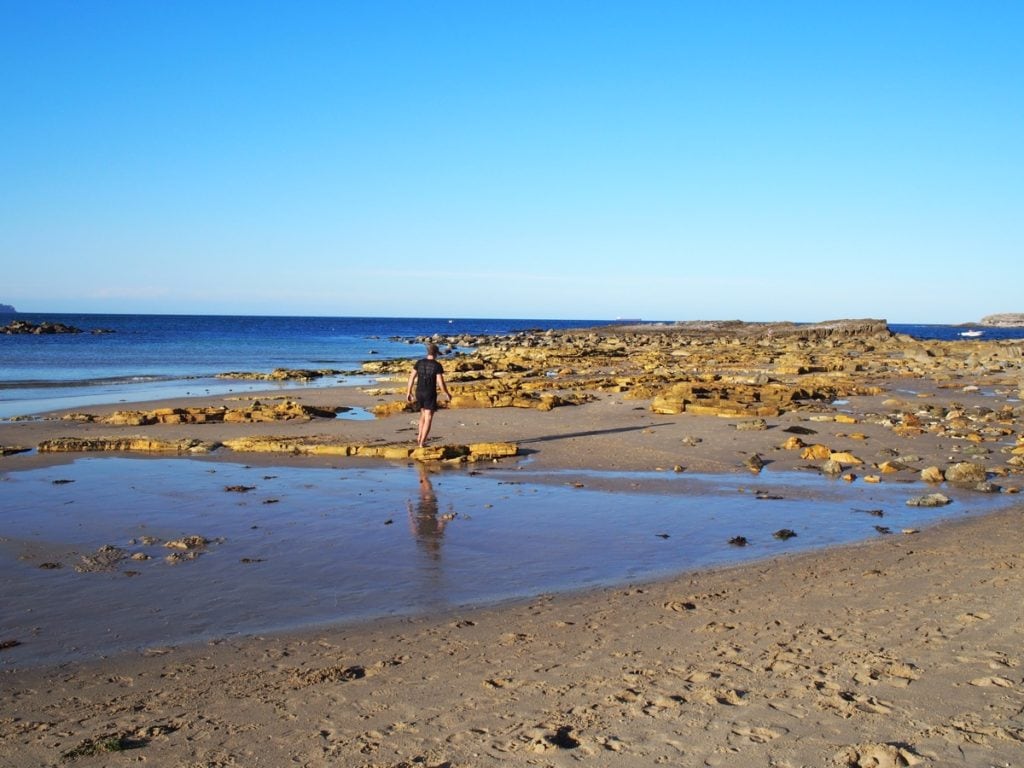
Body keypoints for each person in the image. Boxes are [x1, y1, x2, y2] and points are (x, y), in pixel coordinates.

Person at [406, 342, 452, 447]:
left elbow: (411, 377)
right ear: (436, 353)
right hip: (429, 393)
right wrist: (446, 393)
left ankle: (419, 437)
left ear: (428, 352)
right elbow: (440, 382)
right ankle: (422, 442)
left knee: (422, 414)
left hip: (419, 392)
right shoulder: (437, 365)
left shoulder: (419, 363)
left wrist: (409, 392)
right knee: (428, 417)